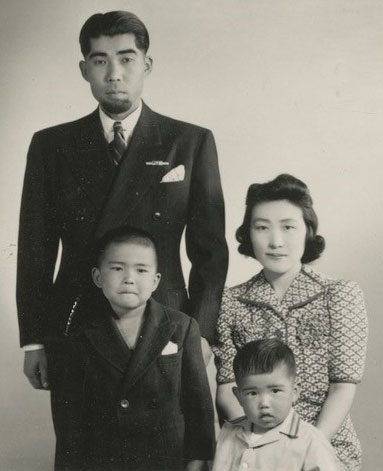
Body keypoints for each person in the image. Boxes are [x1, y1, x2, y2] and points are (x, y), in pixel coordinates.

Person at [17, 10, 228, 389]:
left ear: (146, 65)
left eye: (126, 59)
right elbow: (35, 250)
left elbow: (210, 251)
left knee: (167, 442)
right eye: (100, 61)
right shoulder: (52, 145)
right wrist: (33, 339)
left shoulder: (190, 142)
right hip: (76, 322)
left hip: (166, 322)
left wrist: (203, 332)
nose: (114, 73)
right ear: (84, 70)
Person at [213, 174, 368, 471]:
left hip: (325, 446)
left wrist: (301, 448)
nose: (275, 241)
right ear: (248, 233)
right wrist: (259, 445)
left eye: (288, 227)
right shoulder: (230, 300)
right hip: (251, 447)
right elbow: (227, 386)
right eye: (261, 227)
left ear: (308, 230)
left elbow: (342, 386)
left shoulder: (339, 294)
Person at [48, 225, 215, 471]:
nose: (129, 278)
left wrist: (197, 462)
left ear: (155, 280)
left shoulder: (182, 327)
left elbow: (199, 406)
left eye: (141, 270)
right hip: (106, 462)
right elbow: (70, 424)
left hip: (168, 459)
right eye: (117, 268)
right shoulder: (79, 338)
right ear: (97, 277)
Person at [212, 339, 343, 471]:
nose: (264, 403)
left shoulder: (311, 442)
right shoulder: (228, 433)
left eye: (275, 391)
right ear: (238, 396)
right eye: (252, 393)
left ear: (294, 392)